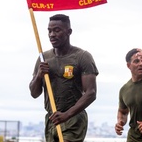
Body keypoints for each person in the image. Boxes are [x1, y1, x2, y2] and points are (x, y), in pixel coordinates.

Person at [29, 14, 99, 142]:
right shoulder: (43, 58)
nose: (52, 35)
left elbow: (91, 93)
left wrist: (67, 114)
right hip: (52, 119)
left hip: (73, 118)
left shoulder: (82, 57)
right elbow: (34, 93)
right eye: (49, 31)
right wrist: (39, 75)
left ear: (69, 32)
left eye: (57, 30)